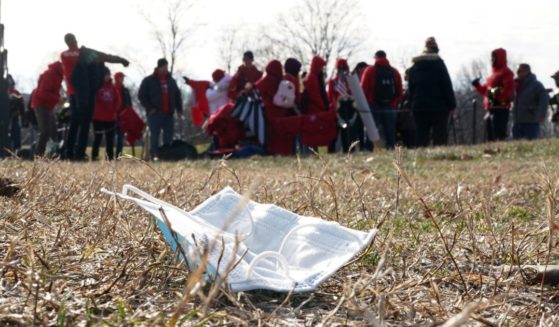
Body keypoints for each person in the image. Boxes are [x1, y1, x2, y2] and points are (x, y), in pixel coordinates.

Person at [61, 33, 129, 160]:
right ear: (76, 40)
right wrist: (121, 60)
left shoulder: (64, 55)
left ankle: (69, 152)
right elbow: (106, 57)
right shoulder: (85, 54)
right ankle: (80, 153)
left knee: (74, 123)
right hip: (87, 93)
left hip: (73, 93)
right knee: (85, 124)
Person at [408, 37, 456, 147]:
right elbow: (446, 85)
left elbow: (411, 89)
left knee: (421, 135)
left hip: (419, 105)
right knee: (439, 135)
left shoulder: (414, 67)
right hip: (438, 106)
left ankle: (420, 157)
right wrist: (452, 104)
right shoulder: (439, 64)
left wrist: (412, 105)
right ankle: (439, 157)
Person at [138, 58, 183, 160]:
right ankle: (154, 155)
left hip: (169, 114)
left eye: (167, 67)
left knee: (168, 136)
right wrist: (149, 108)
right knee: (154, 136)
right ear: (159, 67)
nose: (166, 69)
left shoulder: (171, 81)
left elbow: (177, 96)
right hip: (155, 114)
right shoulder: (148, 80)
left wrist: (179, 110)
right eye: (164, 67)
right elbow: (141, 96)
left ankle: (166, 155)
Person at [361, 51, 403, 150]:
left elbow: (363, 88)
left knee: (371, 129)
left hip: (373, 105)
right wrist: (394, 102)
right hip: (390, 105)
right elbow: (400, 90)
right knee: (390, 129)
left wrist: (368, 103)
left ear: (375, 57)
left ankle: (368, 149)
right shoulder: (394, 71)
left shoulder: (370, 70)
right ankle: (391, 148)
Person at [472, 48, 514, 141]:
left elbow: (508, 89)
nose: (492, 60)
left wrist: (496, 97)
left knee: (499, 135)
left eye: (494, 58)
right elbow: (486, 91)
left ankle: (500, 151)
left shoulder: (506, 72)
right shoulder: (493, 75)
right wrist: (477, 85)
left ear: (500, 58)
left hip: (500, 108)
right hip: (491, 108)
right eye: (492, 58)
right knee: (490, 136)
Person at [328, 59, 364, 152]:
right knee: (348, 133)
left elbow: (330, 97)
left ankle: (334, 151)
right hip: (348, 109)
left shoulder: (333, 82)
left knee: (337, 134)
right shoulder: (351, 80)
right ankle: (348, 150)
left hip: (339, 109)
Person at [301, 56, 337, 149]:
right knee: (314, 133)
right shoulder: (312, 78)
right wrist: (324, 108)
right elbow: (315, 95)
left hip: (316, 109)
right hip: (315, 110)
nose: (322, 69)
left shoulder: (313, 77)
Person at [31, 62, 64, 157]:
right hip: (40, 104)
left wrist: (57, 98)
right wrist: (58, 99)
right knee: (45, 130)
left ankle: (51, 154)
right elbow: (42, 93)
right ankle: (38, 155)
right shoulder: (50, 74)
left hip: (48, 106)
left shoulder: (58, 76)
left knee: (53, 130)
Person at [511, 64, 549, 140]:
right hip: (517, 122)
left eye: (520, 71)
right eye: (517, 71)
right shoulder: (516, 85)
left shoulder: (536, 85)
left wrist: (542, 114)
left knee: (531, 144)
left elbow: (544, 100)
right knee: (516, 145)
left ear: (527, 71)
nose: (517, 73)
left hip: (531, 122)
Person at [91, 68, 120, 160]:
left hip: (110, 118)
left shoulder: (113, 87)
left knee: (110, 140)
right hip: (98, 117)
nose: (107, 77)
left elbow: (118, 100)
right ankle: (94, 156)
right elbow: (94, 100)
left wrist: (114, 110)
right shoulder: (96, 86)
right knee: (97, 138)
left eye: (108, 74)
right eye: (105, 75)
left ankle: (110, 157)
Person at [397, 69, 417, 148]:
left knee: (410, 141)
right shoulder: (408, 88)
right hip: (407, 122)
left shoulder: (410, 89)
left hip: (408, 121)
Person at [113, 72, 132, 157]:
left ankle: (118, 155)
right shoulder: (112, 88)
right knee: (111, 137)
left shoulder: (125, 90)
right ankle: (109, 155)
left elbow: (129, 103)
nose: (123, 79)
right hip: (113, 116)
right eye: (121, 77)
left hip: (123, 116)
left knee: (120, 137)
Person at [7, 75, 25, 153]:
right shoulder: (2, 91)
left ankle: (17, 149)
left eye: (10, 79)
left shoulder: (15, 92)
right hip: (4, 117)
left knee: (16, 132)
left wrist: (22, 114)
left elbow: (21, 103)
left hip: (14, 116)